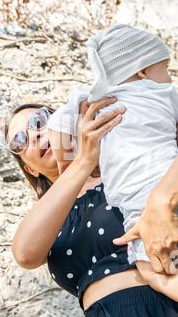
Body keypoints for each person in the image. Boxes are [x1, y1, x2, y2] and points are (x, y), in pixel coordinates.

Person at [6, 100, 178, 317]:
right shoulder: (50, 219)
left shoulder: (121, 168)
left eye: (39, 121)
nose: (35, 134)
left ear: (65, 122)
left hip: (165, 305)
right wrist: (82, 162)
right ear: (30, 168)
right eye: (20, 141)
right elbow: (25, 254)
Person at [46, 25, 178, 300]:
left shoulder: (92, 99)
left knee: (152, 270)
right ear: (142, 71)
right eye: (164, 68)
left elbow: (57, 124)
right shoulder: (165, 94)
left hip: (136, 208)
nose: (168, 77)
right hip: (167, 179)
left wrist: (65, 164)